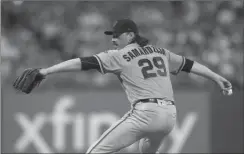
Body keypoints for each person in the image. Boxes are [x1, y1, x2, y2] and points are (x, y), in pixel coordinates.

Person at [37, 19, 232, 153]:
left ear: (130, 36)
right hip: (170, 117)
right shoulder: (160, 52)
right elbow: (189, 65)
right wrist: (216, 77)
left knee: (95, 151)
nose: (113, 39)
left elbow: (81, 62)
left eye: (117, 35)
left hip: (145, 114)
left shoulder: (119, 55)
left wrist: (46, 71)